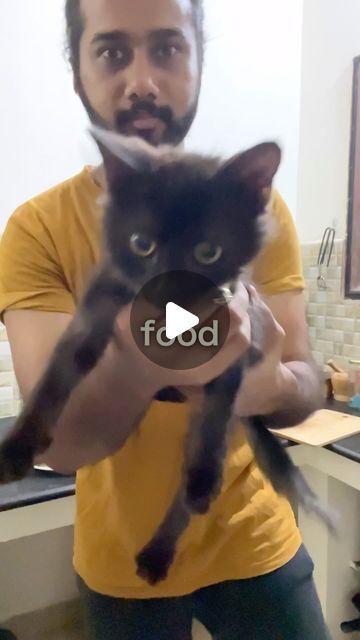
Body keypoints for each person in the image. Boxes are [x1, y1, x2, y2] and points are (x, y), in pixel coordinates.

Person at [0, 1, 329, 638]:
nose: (142, 81)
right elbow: (56, 444)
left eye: (168, 48)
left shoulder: (254, 214)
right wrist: (147, 353)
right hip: (123, 562)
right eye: (113, 51)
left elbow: (306, 383)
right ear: (78, 73)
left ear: (200, 62)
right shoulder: (35, 230)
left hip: (258, 543)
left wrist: (276, 387)